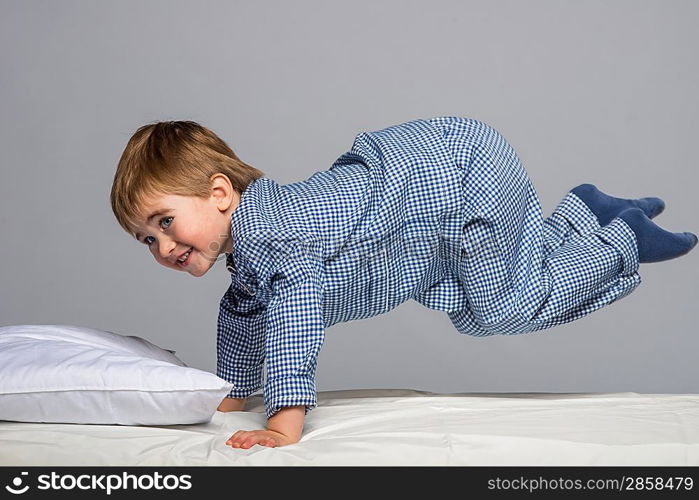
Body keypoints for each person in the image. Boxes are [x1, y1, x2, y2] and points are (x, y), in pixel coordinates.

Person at [111, 116, 697, 449]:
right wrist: (234, 392)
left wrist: (284, 419)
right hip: (428, 200)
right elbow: (243, 311)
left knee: (499, 307)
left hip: (462, 179)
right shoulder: (252, 249)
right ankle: (582, 213)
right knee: (483, 298)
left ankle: (621, 236)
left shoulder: (280, 234)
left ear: (219, 194)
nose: (163, 247)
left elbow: (295, 313)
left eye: (165, 221)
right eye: (146, 239)